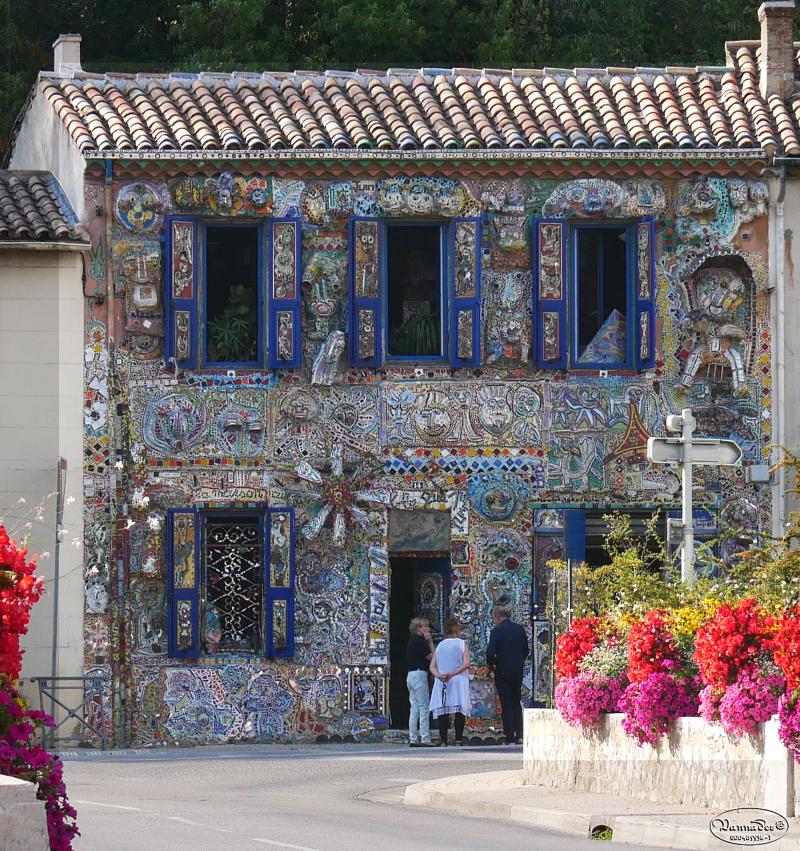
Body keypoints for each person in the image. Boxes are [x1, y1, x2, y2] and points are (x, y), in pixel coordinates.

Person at [487, 604, 529, 745]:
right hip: (517, 669)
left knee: (506, 703)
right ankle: (520, 734)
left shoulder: (496, 631)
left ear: (498, 618)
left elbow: (490, 653)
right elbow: (526, 650)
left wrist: (492, 664)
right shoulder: (519, 629)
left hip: (503, 669)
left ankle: (509, 736)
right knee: (516, 701)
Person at [429, 617, 472, 747]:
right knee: (459, 709)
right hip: (458, 679)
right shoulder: (461, 643)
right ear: (457, 630)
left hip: (442, 680)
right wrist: (452, 673)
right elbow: (466, 663)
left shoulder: (440, 645)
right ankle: (458, 739)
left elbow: (432, 666)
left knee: (444, 709)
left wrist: (440, 675)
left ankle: (443, 740)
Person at [406, 617, 434, 746]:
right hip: (419, 675)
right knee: (424, 707)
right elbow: (432, 658)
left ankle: (413, 737)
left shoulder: (412, 641)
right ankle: (425, 738)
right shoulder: (420, 642)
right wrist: (430, 642)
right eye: (425, 626)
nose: (428, 629)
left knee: (414, 708)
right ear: (418, 628)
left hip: (411, 675)